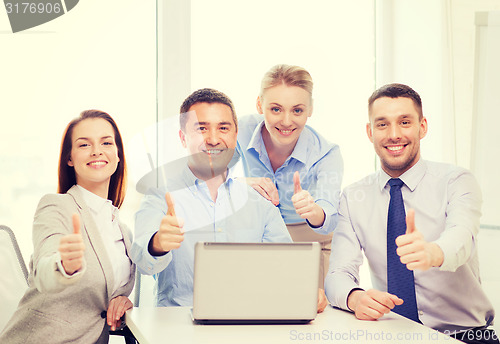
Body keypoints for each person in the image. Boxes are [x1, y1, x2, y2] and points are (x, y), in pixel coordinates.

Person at [324, 83, 498, 344]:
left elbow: (462, 238)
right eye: (382, 124)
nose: (394, 134)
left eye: (405, 122)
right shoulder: (353, 197)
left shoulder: (457, 181)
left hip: (465, 335)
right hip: (395, 334)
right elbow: (338, 274)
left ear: (422, 126)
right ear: (370, 132)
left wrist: (432, 253)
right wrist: (355, 297)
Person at [130, 88, 292, 308]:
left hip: (246, 327)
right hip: (178, 333)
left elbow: (286, 270)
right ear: (183, 138)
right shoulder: (160, 197)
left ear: (235, 135)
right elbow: (141, 261)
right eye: (201, 128)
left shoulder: (260, 205)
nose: (213, 139)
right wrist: (157, 244)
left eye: (223, 128)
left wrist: (308, 292)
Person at [0, 110, 135, 344]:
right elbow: (44, 270)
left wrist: (121, 301)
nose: (96, 151)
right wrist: (63, 265)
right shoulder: (56, 206)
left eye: (106, 142)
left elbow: (103, 295)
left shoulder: (123, 231)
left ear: (117, 154)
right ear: (69, 158)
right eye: (84, 145)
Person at [236, 64, 343, 311]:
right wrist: (243, 183)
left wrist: (313, 210)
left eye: (297, 110)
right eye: (275, 109)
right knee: (257, 313)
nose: (286, 121)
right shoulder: (239, 131)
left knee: (311, 316)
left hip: (311, 240)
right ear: (259, 104)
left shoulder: (326, 153)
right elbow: (208, 178)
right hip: (260, 235)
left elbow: (329, 215)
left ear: (310, 110)